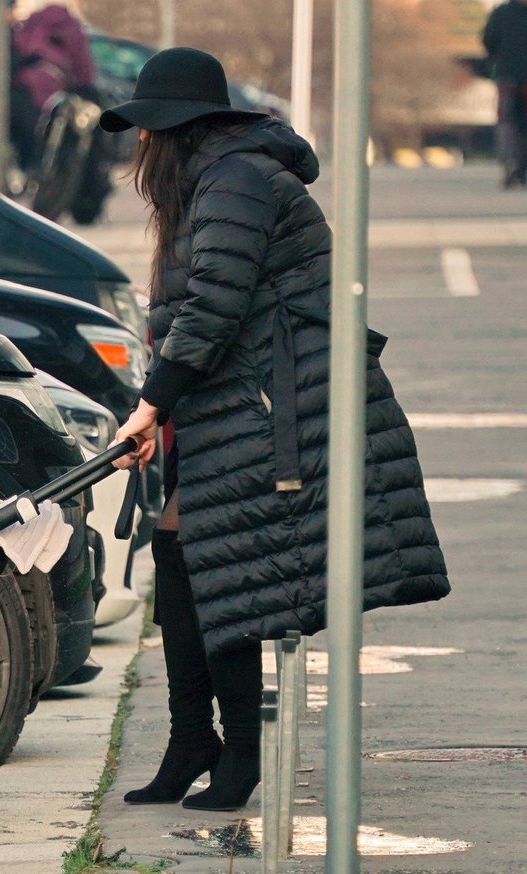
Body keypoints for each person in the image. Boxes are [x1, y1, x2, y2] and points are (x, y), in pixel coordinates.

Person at [100, 47, 451, 811]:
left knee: (226, 563)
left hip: (276, 403)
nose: (139, 148)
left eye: (146, 132)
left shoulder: (236, 181)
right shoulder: (221, 178)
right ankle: (195, 738)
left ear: (175, 131)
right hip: (246, 396)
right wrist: (167, 406)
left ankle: (235, 755)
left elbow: (215, 305)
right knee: (189, 552)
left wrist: (151, 405)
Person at [8, 3, 95, 170]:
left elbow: (17, 49)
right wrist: (86, 86)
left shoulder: (32, 24)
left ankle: (26, 168)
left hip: (24, 88)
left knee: (25, 133)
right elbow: (83, 66)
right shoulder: (73, 29)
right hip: (55, 93)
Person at [482, 0, 527, 188]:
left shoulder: (501, 12)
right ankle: (522, 169)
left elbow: (488, 40)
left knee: (507, 122)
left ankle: (509, 163)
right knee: (525, 124)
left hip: (507, 73)